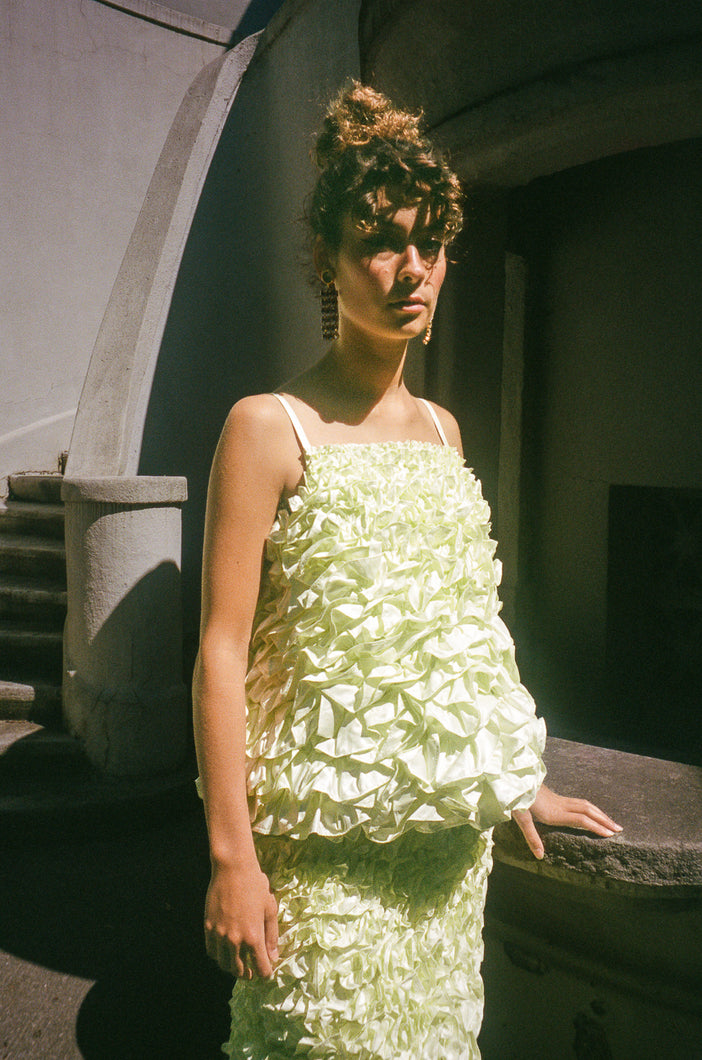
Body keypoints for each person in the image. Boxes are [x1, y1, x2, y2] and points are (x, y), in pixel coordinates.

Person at [193, 81, 621, 1060]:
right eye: (381, 239)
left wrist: (514, 777)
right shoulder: (268, 428)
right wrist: (232, 859)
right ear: (326, 257)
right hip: (320, 862)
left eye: (430, 243)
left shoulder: (444, 431)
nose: (412, 267)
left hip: (442, 864)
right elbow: (221, 650)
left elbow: (462, 629)